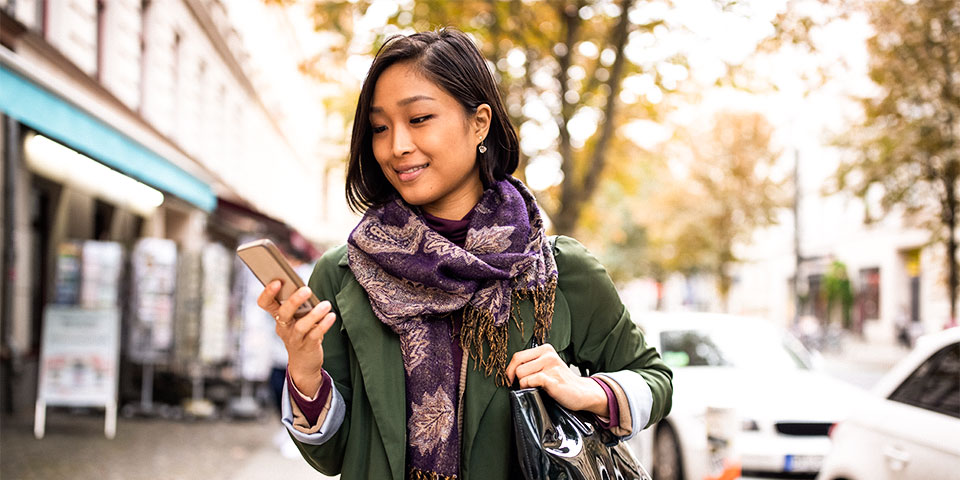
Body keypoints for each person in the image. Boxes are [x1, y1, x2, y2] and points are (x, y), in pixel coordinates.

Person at [256, 28, 673, 480]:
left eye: (418, 119)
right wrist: (304, 372)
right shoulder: (344, 275)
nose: (396, 146)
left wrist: (589, 391)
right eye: (379, 127)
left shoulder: (556, 270)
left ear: (479, 123)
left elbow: (654, 378)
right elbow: (330, 456)